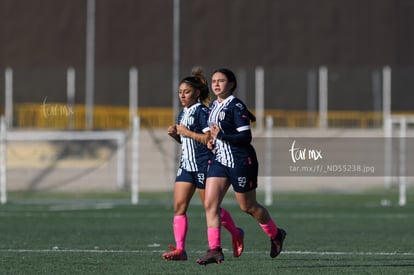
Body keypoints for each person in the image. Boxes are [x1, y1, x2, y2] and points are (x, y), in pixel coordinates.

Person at [196, 68, 286, 265]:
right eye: (214, 81)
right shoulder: (212, 105)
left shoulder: (236, 107)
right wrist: (212, 140)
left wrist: (221, 136)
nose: (216, 84)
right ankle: (215, 250)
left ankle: (276, 234)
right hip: (220, 161)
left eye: (221, 80)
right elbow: (214, 132)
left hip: (240, 161)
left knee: (248, 206)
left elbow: (246, 138)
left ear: (231, 84)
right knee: (210, 205)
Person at [162, 68, 244, 261]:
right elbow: (187, 141)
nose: (182, 95)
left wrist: (186, 132)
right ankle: (181, 250)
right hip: (186, 165)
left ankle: (236, 232)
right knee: (179, 207)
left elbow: (207, 137)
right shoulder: (183, 113)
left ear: (197, 93)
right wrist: (176, 136)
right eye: (180, 92)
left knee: (210, 206)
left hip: (202, 164)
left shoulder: (202, 111)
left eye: (187, 92)